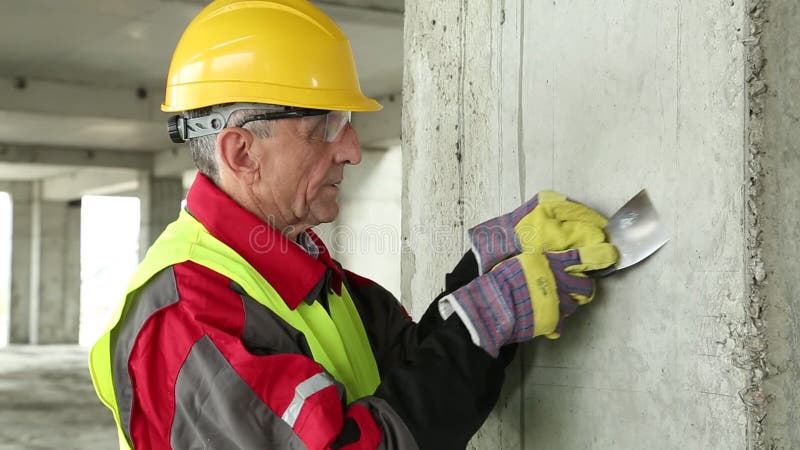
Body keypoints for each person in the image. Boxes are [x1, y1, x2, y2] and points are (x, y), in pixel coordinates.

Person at [88, 1, 618, 449]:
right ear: (243, 151)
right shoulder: (191, 315)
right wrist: (479, 324)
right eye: (325, 126)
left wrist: (477, 280)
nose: (352, 150)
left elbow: (405, 380)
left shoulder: (307, 274)